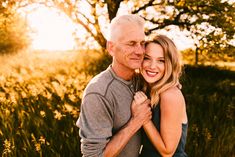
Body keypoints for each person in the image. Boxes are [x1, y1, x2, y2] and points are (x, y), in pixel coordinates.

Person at [76, 14, 152, 157]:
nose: (140, 51)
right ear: (111, 47)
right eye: (131, 43)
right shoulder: (98, 93)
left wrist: (172, 85)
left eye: (142, 43)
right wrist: (136, 121)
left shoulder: (141, 81)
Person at [133, 35, 188, 157]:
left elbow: (167, 152)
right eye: (147, 58)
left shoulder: (170, 95)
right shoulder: (147, 87)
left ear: (170, 64)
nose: (152, 66)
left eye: (161, 60)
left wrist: (143, 118)